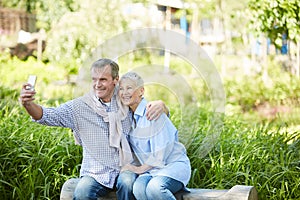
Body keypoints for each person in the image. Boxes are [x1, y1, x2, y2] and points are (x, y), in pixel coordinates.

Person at [19, 58, 168, 200]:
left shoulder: (125, 98)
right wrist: (28, 104)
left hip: (127, 167)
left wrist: (162, 105)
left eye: (103, 79)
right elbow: (46, 115)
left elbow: (149, 110)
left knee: (128, 184)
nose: (97, 84)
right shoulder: (80, 107)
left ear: (116, 80)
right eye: (94, 79)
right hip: (96, 172)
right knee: (82, 192)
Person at [116, 71, 191, 200]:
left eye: (129, 88)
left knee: (155, 188)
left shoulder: (153, 112)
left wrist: (136, 169)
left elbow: (159, 155)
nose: (124, 92)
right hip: (151, 171)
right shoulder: (128, 115)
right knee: (138, 188)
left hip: (171, 166)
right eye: (121, 89)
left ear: (141, 91)